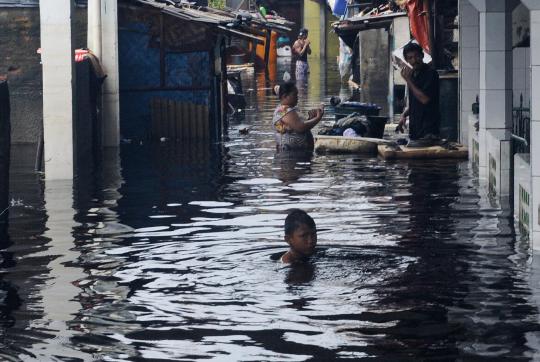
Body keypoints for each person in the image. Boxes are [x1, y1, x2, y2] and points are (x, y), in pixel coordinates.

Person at [396, 42, 440, 145]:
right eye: (410, 58)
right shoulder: (414, 75)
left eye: (416, 56)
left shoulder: (431, 74)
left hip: (428, 131)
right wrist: (404, 115)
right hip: (416, 129)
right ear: (406, 60)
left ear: (422, 56)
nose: (414, 61)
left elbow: (424, 99)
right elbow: (416, 102)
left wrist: (408, 80)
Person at [273, 82, 323, 151]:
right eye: (295, 95)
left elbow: (297, 127)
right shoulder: (284, 110)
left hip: (294, 153)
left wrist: (310, 119)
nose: (297, 97)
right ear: (285, 96)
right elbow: (300, 127)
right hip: (291, 155)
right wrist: (318, 118)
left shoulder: (285, 110)